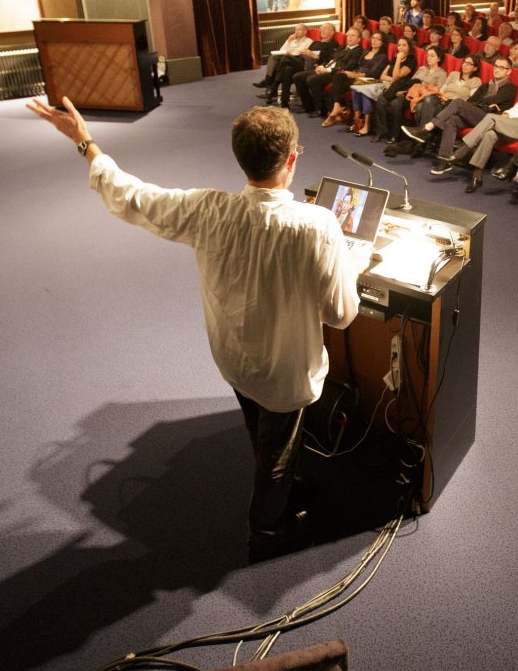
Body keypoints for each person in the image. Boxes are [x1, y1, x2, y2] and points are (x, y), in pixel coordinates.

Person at [26, 100, 362, 558]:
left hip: (232, 358)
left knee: (260, 427)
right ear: (293, 158)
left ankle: (278, 480)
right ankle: (267, 530)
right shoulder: (318, 225)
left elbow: (131, 195)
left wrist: (86, 142)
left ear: (240, 157)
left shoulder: (207, 210)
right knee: (277, 453)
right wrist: (351, 265)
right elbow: (340, 314)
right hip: (284, 372)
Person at [405, 55, 518, 166]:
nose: (497, 69)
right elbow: (471, 101)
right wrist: (483, 104)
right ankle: (444, 160)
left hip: (491, 121)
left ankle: (426, 128)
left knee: (458, 102)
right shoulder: (485, 86)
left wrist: (482, 103)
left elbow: (492, 100)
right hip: (477, 115)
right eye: (496, 66)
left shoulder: (510, 88)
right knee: (452, 120)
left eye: (501, 67)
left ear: (508, 71)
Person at [297, 28, 361, 116]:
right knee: (298, 77)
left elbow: (348, 67)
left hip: (336, 73)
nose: (349, 38)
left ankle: (320, 109)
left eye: (353, 36)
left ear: (359, 39)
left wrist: (327, 70)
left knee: (311, 80)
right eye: (348, 35)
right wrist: (322, 66)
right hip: (326, 68)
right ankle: (308, 106)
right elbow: (330, 59)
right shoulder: (342, 47)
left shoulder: (358, 51)